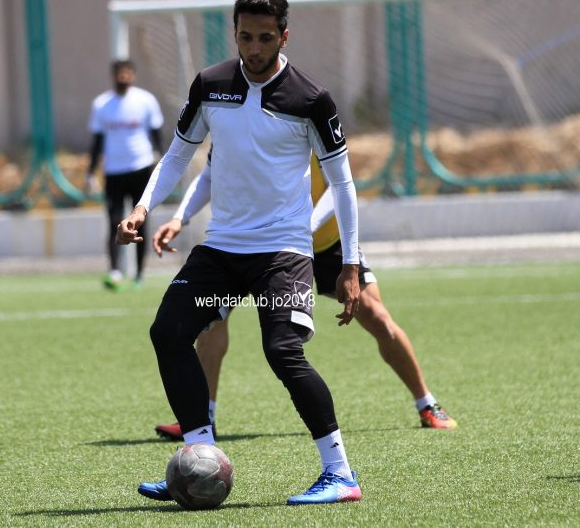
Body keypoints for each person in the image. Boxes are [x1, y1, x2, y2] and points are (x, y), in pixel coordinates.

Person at [116, 0, 363, 505]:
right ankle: (200, 460)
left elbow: (343, 183)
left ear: (284, 36)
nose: (254, 48)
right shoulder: (211, 85)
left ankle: (340, 473)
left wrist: (351, 264)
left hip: (282, 252)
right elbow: (178, 155)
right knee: (168, 332)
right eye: (245, 36)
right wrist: (144, 206)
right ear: (235, 33)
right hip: (223, 250)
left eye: (265, 38)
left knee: (283, 350)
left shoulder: (311, 99)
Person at [152, 153, 457, 443]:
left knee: (376, 316)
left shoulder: (307, 120)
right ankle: (202, 415)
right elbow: (210, 173)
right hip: (262, 245)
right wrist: (180, 217)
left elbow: (339, 185)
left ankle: (427, 403)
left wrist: (304, 227)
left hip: (324, 242)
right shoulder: (238, 123)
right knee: (212, 318)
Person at [86, 59, 164, 290]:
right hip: (113, 172)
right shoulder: (102, 104)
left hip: (141, 168)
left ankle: (139, 274)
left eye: (127, 73)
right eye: (119, 73)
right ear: (113, 75)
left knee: (139, 222)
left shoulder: (146, 100)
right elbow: (97, 140)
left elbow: (157, 134)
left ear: (133, 75)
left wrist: (162, 162)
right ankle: (115, 271)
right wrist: (91, 172)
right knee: (114, 221)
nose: (123, 77)